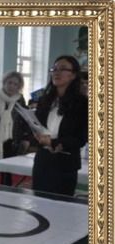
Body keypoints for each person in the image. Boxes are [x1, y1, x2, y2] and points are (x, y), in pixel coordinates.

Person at [32, 55, 88, 196]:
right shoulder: (44, 100)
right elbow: (35, 125)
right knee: (38, 202)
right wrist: (36, 135)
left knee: (61, 205)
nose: (56, 72)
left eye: (63, 69)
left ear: (73, 75)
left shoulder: (82, 104)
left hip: (65, 163)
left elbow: (81, 138)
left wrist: (55, 143)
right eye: (54, 69)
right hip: (43, 161)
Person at [0, 71, 31, 185]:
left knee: (7, 172)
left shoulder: (20, 100)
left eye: (15, 84)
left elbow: (25, 120)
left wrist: (26, 138)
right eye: (9, 83)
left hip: (12, 140)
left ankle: (7, 192)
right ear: (4, 83)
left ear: (19, 87)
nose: (12, 86)